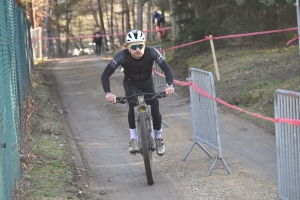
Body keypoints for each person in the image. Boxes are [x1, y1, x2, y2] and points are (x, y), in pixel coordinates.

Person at [101, 30, 175, 156]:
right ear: (128, 47)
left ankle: (158, 138)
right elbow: (105, 74)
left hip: (147, 83)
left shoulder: (152, 52)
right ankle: (133, 139)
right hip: (131, 83)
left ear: (144, 45)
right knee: (132, 104)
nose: (137, 49)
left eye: (140, 46)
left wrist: (169, 85)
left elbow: (167, 69)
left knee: (155, 107)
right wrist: (108, 93)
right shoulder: (122, 56)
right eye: (134, 47)